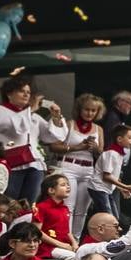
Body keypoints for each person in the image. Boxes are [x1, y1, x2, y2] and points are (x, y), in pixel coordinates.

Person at [0, 77, 69, 202]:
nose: (26, 95)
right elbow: (12, 128)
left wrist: (56, 118)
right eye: (21, 91)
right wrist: (31, 109)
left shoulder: (33, 116)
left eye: (28, 92)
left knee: (29, 204)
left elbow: (52, 137)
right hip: (10, 164)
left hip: (34, 164)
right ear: (9, 94)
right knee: (8, 202)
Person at [49, 93, 105, 239]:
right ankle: (64, 240)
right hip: (68, 166)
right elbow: (54, 146)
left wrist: (95, 148)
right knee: (68, 207)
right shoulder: (70, 124)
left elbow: (101, 154)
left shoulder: (98, 129)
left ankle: (76, 240)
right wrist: (78, 147)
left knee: (82, 210)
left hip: (88, 170)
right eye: (87, 109)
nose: (90, 113)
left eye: (93, 111)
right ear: (80, 109)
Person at [88, 125, 131, 219]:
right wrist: (125, 186)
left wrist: (121, 189)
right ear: (119, 139)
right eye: (130, 137)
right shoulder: (111, 153)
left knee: (114, 218)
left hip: (106, 190)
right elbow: (106, 176)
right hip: (98, 188)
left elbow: (112, 177)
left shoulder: (119, 154)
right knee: (109, 218)